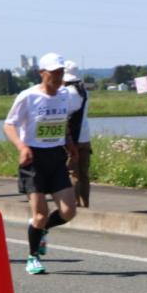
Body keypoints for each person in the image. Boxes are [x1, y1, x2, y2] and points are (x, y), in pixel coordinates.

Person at [2, 52, 82, 275]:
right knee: (39, 214)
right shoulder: (28, 96)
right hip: (33, 158)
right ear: (42, 73)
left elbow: (62, 122)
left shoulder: (65, 95)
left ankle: (42, 230)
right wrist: (22, 146)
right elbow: (9, 125)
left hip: (56, 156)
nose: (57, 77)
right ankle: (33, 256)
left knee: (69, 211)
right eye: (53, 73)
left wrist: (69, 143)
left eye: (60, 72)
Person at [62, 61, 92, 208]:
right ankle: (85, 203)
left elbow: (64, 117)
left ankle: (74, 204)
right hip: (85, 137)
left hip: (72, 139)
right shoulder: (84, 91)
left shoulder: (67, 93)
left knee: (73, 173)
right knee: (84, 175)